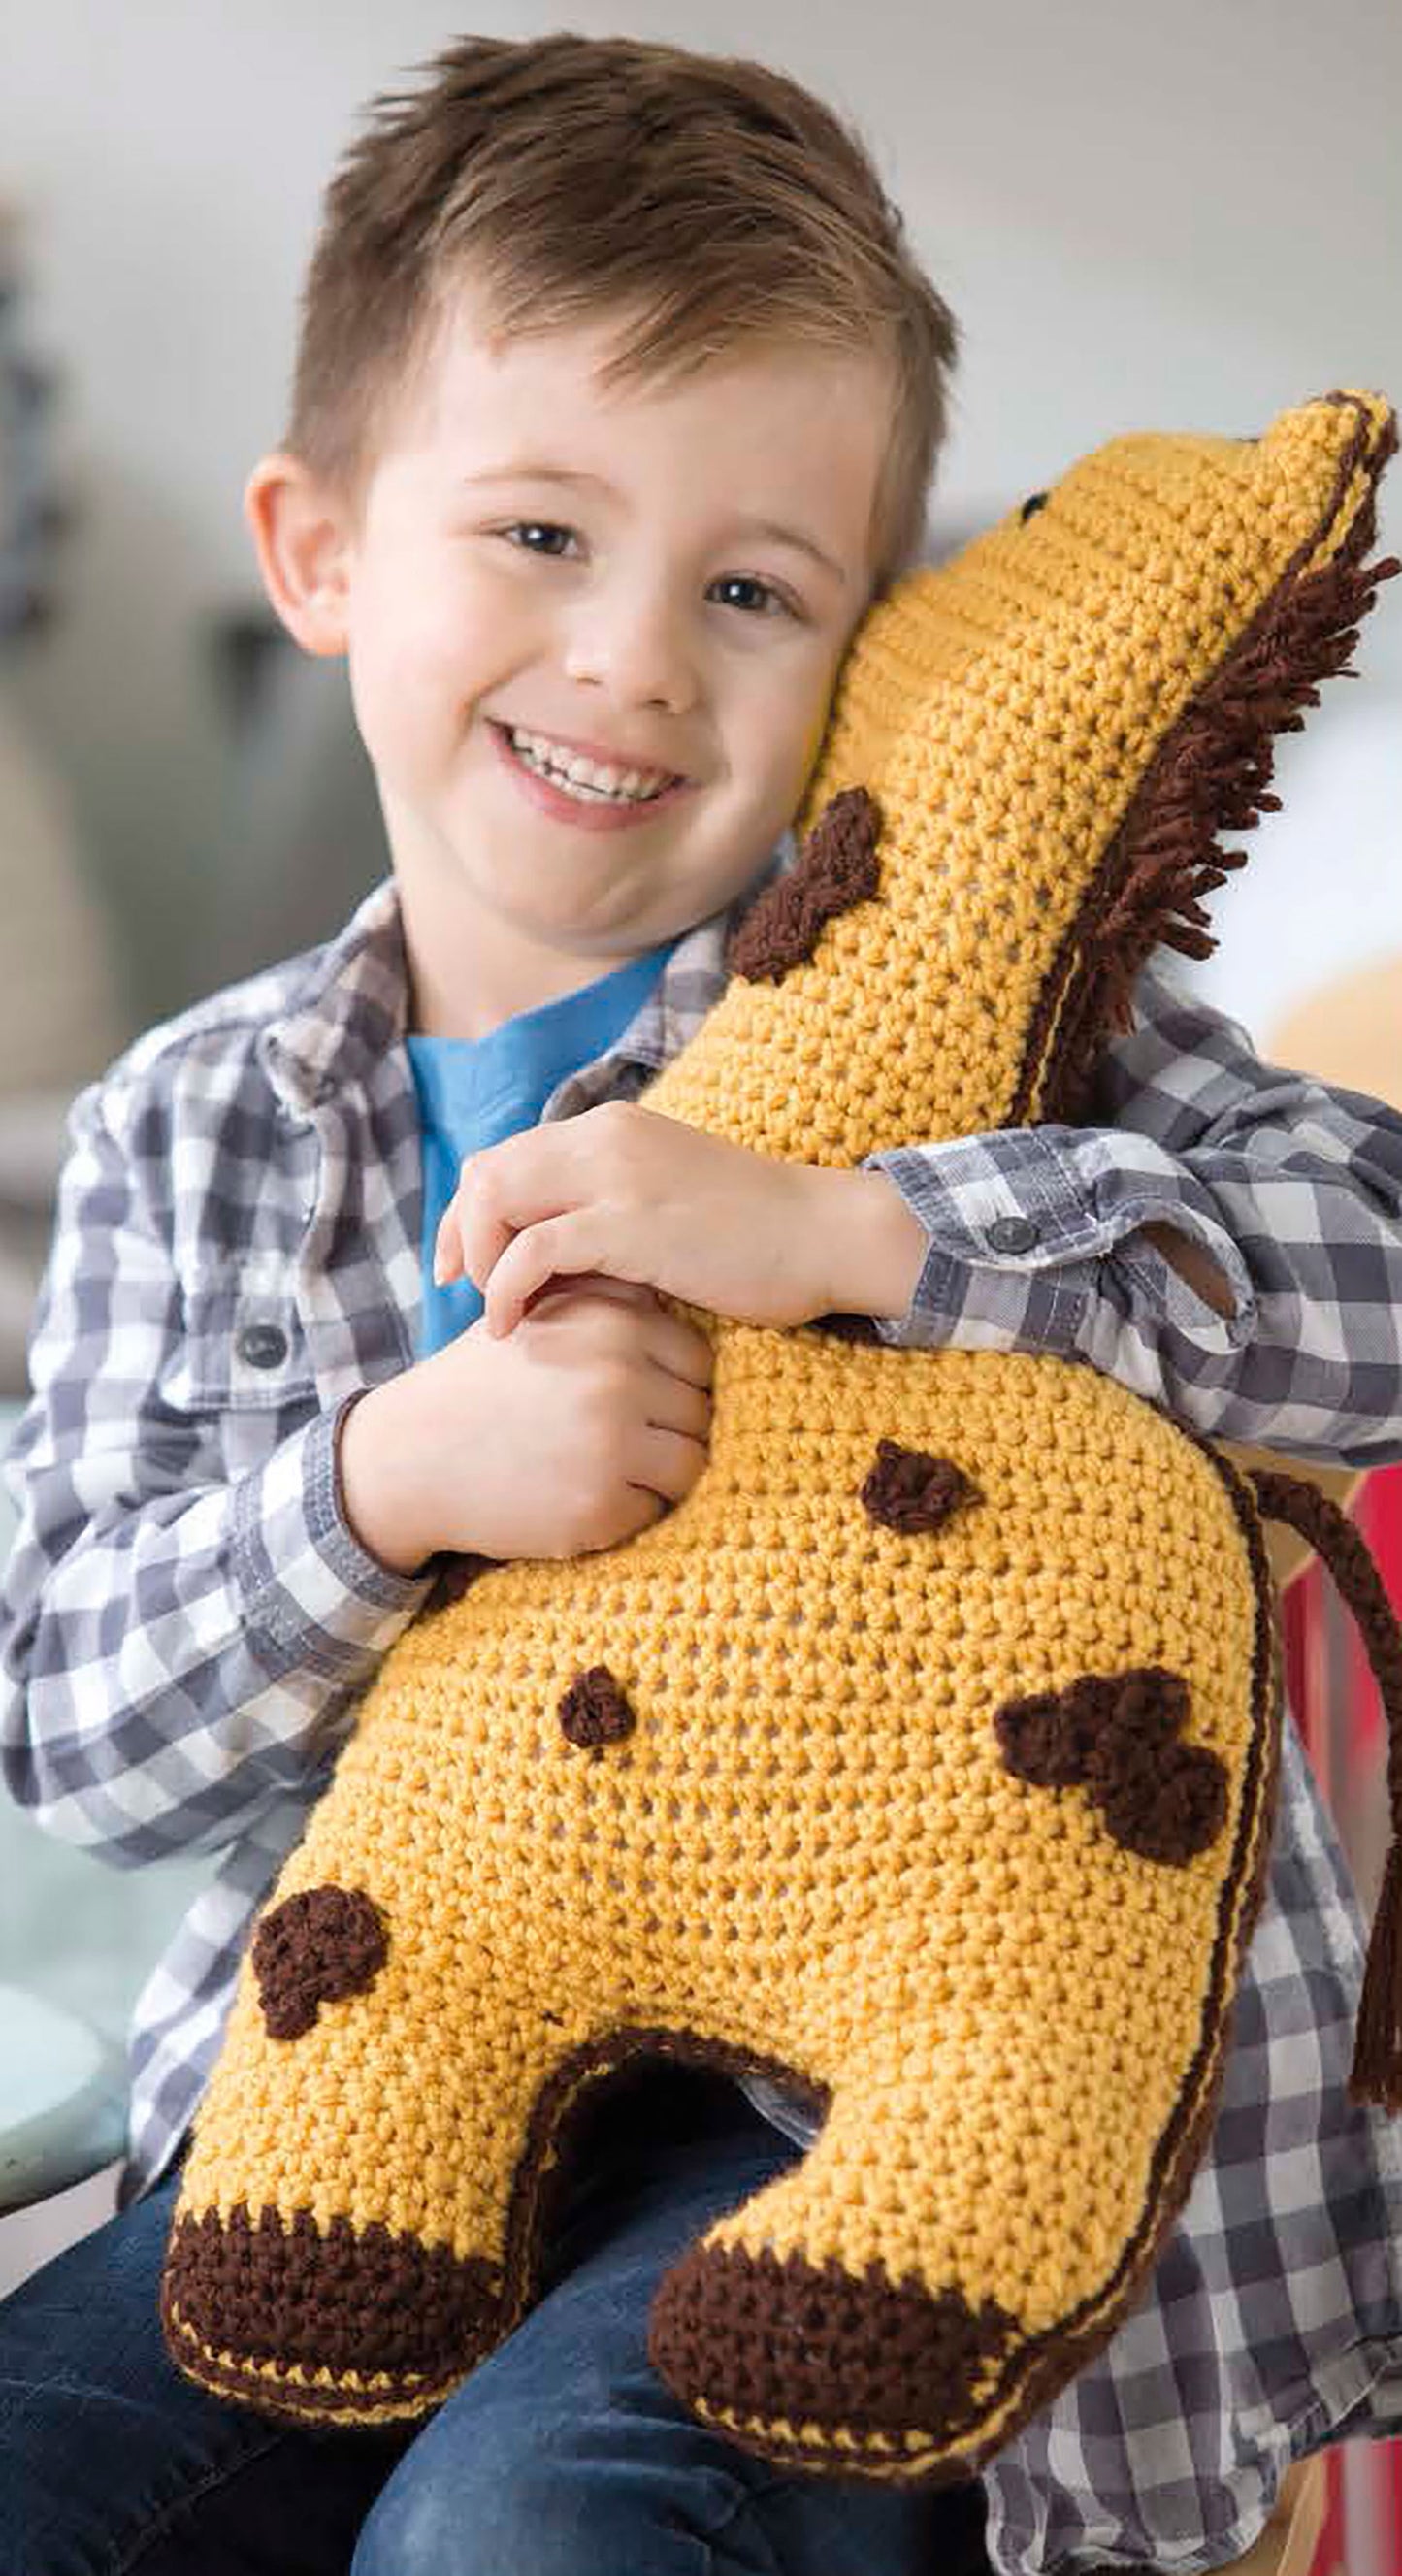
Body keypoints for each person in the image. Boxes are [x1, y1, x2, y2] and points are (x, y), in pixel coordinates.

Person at [2, 31, 1401, 2576]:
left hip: (883, 2137)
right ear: (320, 552)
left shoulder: (1008, 1018)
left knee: (523, 2529)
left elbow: (1381, 1274)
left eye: (753, 590)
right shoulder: (192, 1129)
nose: (637, 659)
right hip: (353, 2098)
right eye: (541, 531)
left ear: (863, 652)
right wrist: (378, 1492)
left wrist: (874, 1238)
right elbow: (70, 1728)